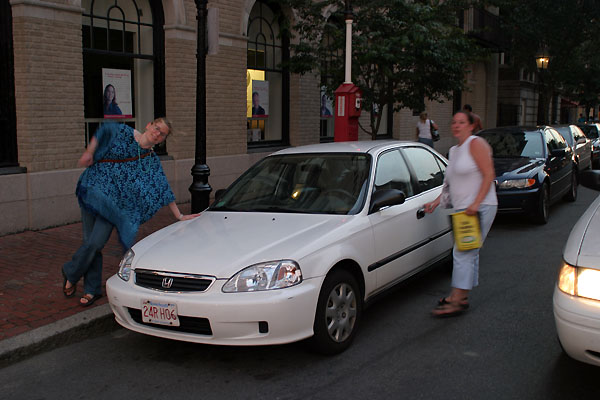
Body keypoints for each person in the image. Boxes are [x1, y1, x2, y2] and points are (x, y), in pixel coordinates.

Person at [61, 118, 200, 306]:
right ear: (149, 125)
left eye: (162, 134)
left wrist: (180, 215)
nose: (157, 133)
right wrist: (89, 152)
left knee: (95, 243)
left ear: (162, 140)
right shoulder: (123, 133)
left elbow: (162, 187)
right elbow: (104, 130)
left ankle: (71, 271)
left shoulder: (150, 161)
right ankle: (91, 290)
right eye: (157, 128)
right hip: (91, 192)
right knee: (90, 244)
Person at [423, 111, 497, 317]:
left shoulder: (476, 144)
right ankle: (461, 296)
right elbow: (450, 184)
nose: (456, 125)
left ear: (471, 126)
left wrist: (476, 203)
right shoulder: (454, 151)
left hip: (480, 206)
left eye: (462, 122)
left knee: (463, 252)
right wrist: (436, 202)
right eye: (454, 122)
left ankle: (456, 299)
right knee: (468, 251)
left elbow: (489, 174)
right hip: (463, 208)